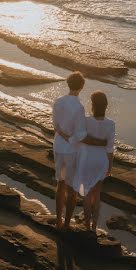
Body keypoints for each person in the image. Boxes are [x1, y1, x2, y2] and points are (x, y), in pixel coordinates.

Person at [52, 72, 107, 231]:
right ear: (82, 87)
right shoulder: (79, 107)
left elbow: (55, 125)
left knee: (60, 184)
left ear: (68, 84)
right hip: (71, 151)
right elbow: (81, 135)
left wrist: (64, 135)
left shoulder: (58, 101)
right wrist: (100, 142)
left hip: (58, 147)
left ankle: (58, 220)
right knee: (71, 188)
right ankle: (67, 224)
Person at [72, 91, 115, 233]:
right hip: (101, 161)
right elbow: (110, 149)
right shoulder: (111, 124)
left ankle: (87, 226)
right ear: (106, 106)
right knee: (97, 195)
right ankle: (95, 227)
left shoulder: (85, 121)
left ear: (92, 105)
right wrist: (110, 166)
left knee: (86, 194)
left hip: (86, 160)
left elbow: (79, 138)